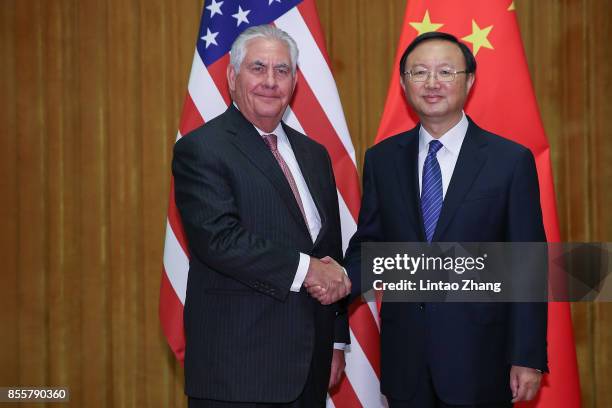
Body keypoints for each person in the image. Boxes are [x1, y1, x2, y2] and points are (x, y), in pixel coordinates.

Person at [341, 32, 548, 407]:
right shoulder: (382, 159)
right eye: (419, 72)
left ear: (469, 80)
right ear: (404, 84)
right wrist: (338, 281)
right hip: (407, 360)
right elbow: (372, 246)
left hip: (482, 357)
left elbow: (527, 263)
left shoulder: (510, 161)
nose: (432, 83)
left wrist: (527, 356)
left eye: (446, 72)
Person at [172, 25, 351, 408]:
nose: (270, 81)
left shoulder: (315, 155)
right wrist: (308, 271)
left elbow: (329, 250)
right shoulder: (202, 149)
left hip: (311, 367)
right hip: (239, 372)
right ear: (233, 76)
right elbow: (219, 240)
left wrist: (335, 338)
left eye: (282, 70)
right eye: (258, 68)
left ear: (295, 81)